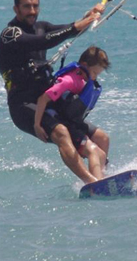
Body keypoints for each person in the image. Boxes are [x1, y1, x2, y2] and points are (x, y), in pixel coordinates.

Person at [0, 0, 110, 182]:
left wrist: (90, 15)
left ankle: (104, 179)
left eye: (35, 6)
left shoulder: (42, 26)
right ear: (16, 9)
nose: (32, 11)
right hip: (23, 105)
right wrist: (79, 24)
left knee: (100, 138)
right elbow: (43, 41)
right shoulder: (10, 34)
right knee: (61, 132)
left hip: (49, 102)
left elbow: (68, 31)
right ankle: (90, 182)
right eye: (26, 7)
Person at [34, 46, 111, 184]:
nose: (94, 77)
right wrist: (37, 124)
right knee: (93, 151)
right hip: (62, 120)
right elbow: (43, 98)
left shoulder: (84, 78)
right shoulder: (69, 80)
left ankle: (102, 176)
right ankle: (97, 184)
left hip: (73, 120)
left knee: (103, 139)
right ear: (85, 65)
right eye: (94, 72)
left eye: (97, 74)